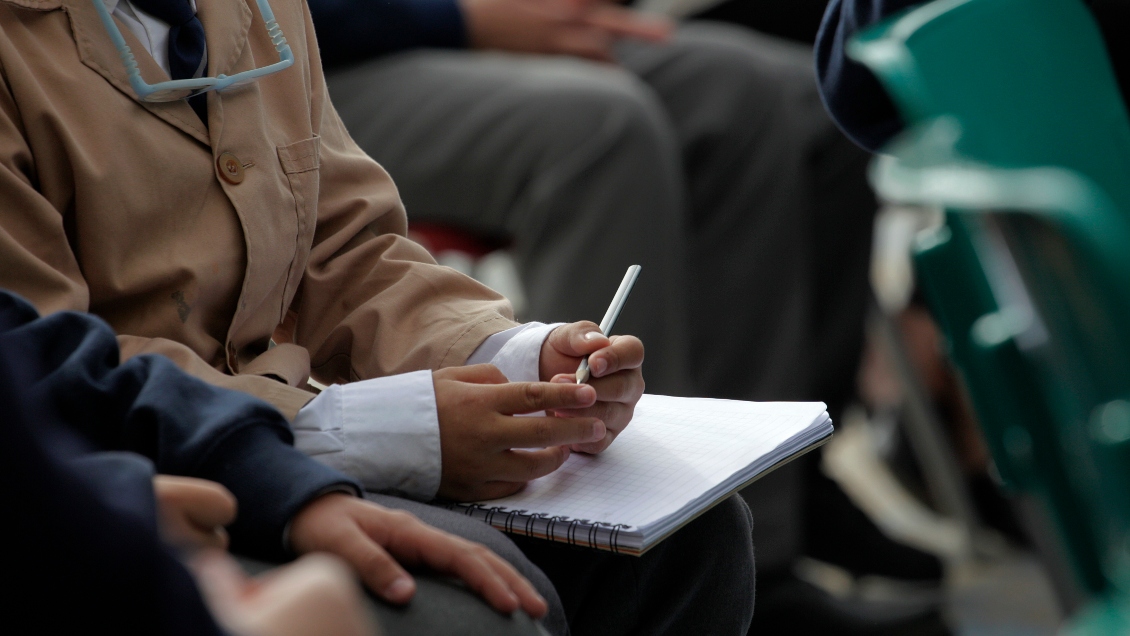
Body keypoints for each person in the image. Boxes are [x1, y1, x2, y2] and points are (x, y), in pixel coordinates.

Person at [0, 0, 754, 633]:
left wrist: (518, 358)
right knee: (479, 609)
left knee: (695, 538)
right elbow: (43, 358)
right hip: (144, 459)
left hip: (283, 432)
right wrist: (377, 431)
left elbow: (342, 242)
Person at [0, 288, 547, 634]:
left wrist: (508, 355)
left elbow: (39, 348)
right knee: (482, 611)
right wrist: (348, 427)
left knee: (622, 570)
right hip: (180, 460)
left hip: (211, 446)